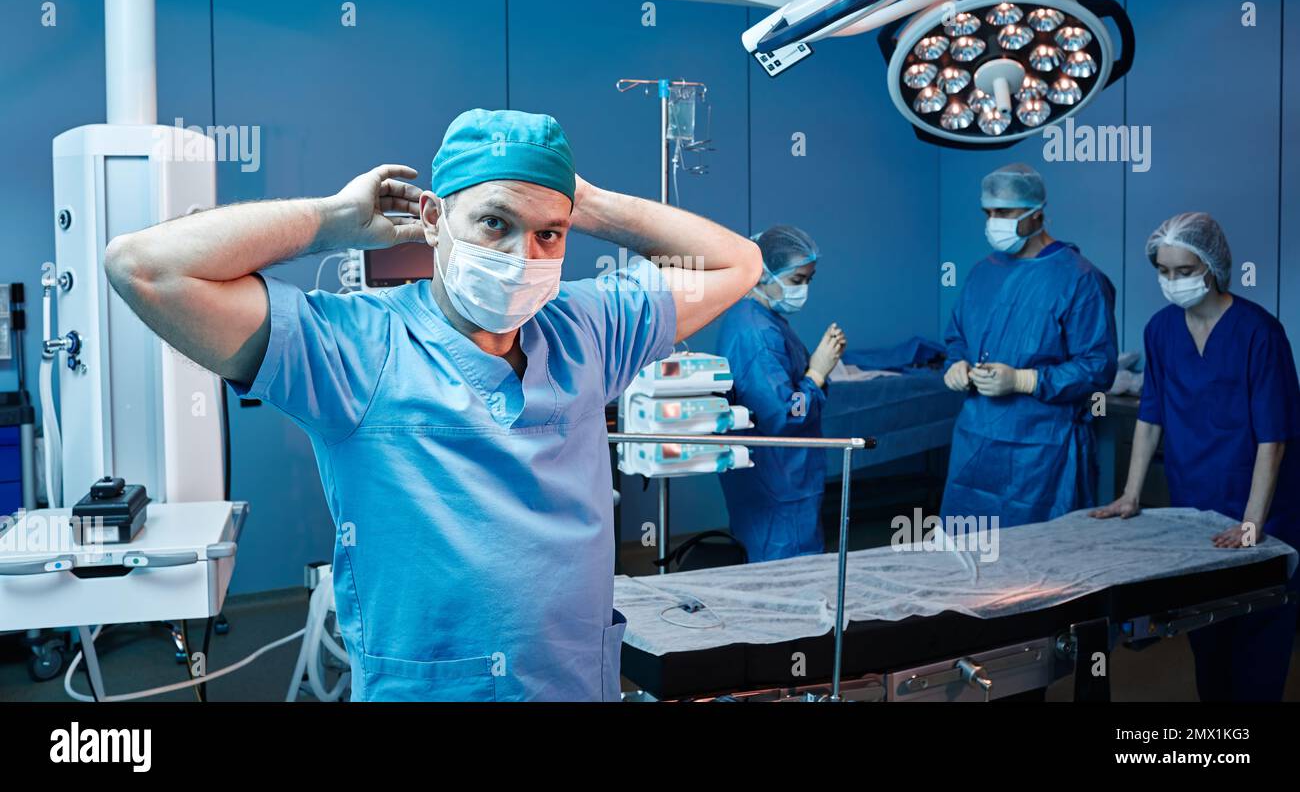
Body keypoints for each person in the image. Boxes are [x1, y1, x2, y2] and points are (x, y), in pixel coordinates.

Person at [104, 108, 762, 701]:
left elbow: (739, 263)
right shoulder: (353, 347)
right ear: (432, 217)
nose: (520, 257)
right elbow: (144, 267)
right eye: (495, 223)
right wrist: (334, 222)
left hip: (570, 683)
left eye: (549, 236)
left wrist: (587, 202)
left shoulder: (585, 328)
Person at [1092, 212, 1300, 701]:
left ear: (1212, 266)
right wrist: (1130, 494)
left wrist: (1252, 523)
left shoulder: (1259, 334)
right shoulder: (1161, 330)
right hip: (1197, 517)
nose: (1172, 281)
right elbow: (1151, 415)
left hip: (1263, 517)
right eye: (1163, 271)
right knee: (1209, 649)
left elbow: (1274, 438)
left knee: (1255, 659)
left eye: (1184, 271)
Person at [940, 163, 1118, 528]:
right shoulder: (982, 272)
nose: (993, 222)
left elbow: (1098, 365)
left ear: (1037, 214)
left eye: (1004, 212)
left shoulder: (1080, 278)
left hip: (1042, 450)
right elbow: (958, 336)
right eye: (988, 212)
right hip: (977, 443)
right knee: (968, 557)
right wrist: (955, 365)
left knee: (1041, 564)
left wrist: (1025, 380)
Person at [716, 225, 846, 562]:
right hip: (777, 481)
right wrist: (817, 372)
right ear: (763, 274)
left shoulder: (760, 318)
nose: (803, 290)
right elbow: (783, 415)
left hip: (778, 477)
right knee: (786, 574)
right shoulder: (757, 334)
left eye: (809, 280)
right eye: (797, 280)